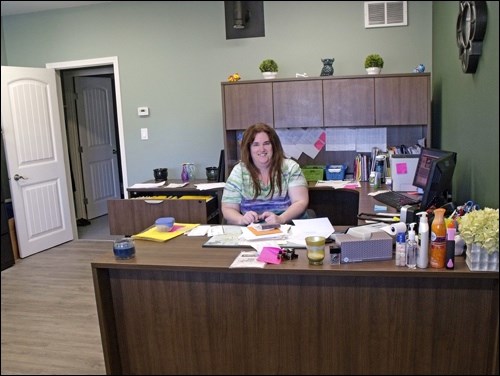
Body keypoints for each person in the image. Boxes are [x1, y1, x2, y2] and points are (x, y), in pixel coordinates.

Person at [221, 123, 309, 225]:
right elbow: (228, 208)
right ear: (249, 148)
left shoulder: (290, 168)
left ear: (274, 146)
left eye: (267, 143)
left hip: (288, 226)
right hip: (252, 230)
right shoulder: (239, 171)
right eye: (256, 144)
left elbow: (300, 201)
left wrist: (281, 219)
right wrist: (242, 219)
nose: (262, 149)